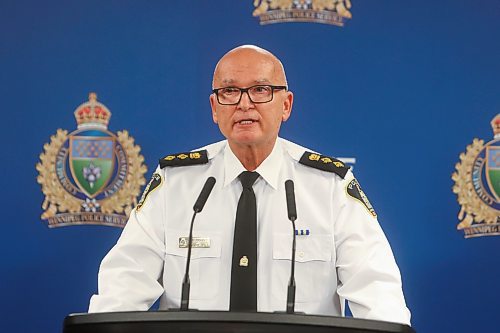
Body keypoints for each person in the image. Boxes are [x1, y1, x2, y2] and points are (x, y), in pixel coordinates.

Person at [88, 45, 411, 325]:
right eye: (229, 92)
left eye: (260, 90)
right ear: (215, 108)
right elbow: (126, 282)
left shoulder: (329, 185)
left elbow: (376, 290)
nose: (244, 104)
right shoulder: (176, 183)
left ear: (285, 105)